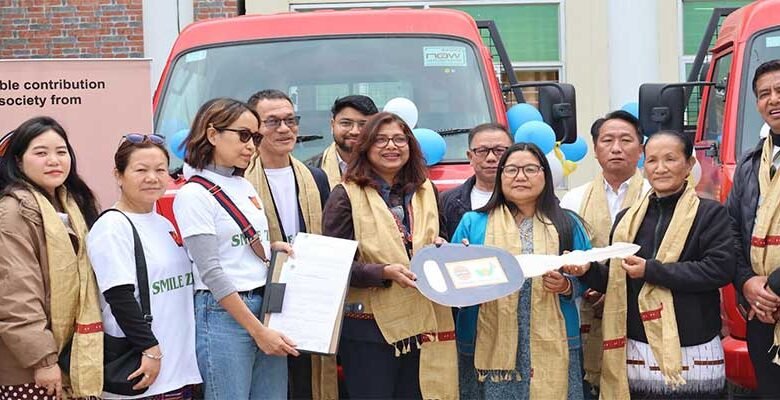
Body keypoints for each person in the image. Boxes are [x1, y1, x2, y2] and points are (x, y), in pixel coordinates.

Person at [566, 130, 735, 399]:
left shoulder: (709, 213)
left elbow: (719, 269)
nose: (661, 168)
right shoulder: (627, 219)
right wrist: (587, 271)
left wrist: (651, 270)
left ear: (689, 165)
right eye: (653, 160)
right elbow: (616, 278)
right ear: (644, 166)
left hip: (694, 343)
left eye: (670, 159)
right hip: (638, 346)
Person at [322, 111, 456, 400]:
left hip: (424, 321)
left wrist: (443, 248)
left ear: (410, 146)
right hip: (369, 327)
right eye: (381, 140)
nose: (391, 146)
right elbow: (333, 264)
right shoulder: (345, 195)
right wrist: (382, 272)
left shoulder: (426, 191)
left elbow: (440, 238)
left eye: (399, 139)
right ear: (366, 147)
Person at [173, 98, 298, 400]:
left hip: (264, 305)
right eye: (243, 135)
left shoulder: (244, 185)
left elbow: (233, 246)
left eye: (255, 137)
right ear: (212, 134)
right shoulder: (193, 194)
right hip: (224, 314)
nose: (251, 145)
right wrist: (257, 330)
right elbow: (212, 271)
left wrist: (270, 247)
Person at [452, 142, 590, 400]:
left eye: (529, 169)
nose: (520, 177)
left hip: (554, 338)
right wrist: (465, 268)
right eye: (512, 170)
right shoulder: (473, 222)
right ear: (501, 176)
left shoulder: (567, 223)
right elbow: (454, 281)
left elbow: (588, 275)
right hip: (488, 337)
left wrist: (567, 285)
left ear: (545, 176)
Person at [87, 134, 202, 399]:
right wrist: (149, 348)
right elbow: (119, 296)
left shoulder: (164, 224)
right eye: (141, 170)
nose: (152, 177)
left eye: (160, 170)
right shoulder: (112, 226)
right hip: (144, 372)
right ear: (118, 175)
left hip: (178, 372)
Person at [0, 116, 103, 399]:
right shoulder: (12, 213)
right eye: (41, 153)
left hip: (73, 355)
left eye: (61, 151)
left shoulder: (74, 205)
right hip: (30, 367)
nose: (54, 160)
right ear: (18, 162)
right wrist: (42, 360)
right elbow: (15, 295)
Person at [243, 89, 334, 399]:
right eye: (272, 122)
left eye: (290, 120)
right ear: (254, 129)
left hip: (309, 300)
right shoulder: (239, 182)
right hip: (259, 300)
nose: (284, 129)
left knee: (307, 383)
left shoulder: (316, 177)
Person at [559, 110, 650, 391]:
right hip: (587, 302)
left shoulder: (653, 193)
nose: (616, 148)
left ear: (641, 149)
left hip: (641, 303)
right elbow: (565, 251)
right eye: (607, 140)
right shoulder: (574, 198)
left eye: (626, 140)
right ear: (596, 150)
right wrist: (588, 287)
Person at [727, 59, 780, 397]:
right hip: (762, 311)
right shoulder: (750, 165)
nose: (773, 99)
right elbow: (730, 231)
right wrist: (747, 282)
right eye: (764, 94)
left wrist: (774, 286)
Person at [441, 122, 514, 237]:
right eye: (482, 151)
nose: (491, 158)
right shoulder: (446, 201)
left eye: (499, 150)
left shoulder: (527, 199)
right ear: (470, 157)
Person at [316, 95, 378, 188]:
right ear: (332, 125)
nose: (355, 131)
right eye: (346, 123)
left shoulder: (387, 166)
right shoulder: (310, 170)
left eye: (363, 125)